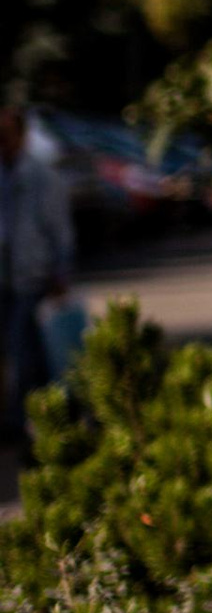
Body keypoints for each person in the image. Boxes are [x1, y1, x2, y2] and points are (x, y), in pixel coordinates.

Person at [0, 103, 76, 443]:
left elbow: (60, 230)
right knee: (22, 355)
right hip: (3, 279)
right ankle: (39, 416)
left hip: (33, 277)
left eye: (6, 134)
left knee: (26, 354)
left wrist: (60, 273)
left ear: (21, 135)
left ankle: (28, 423)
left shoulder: (42, 178)